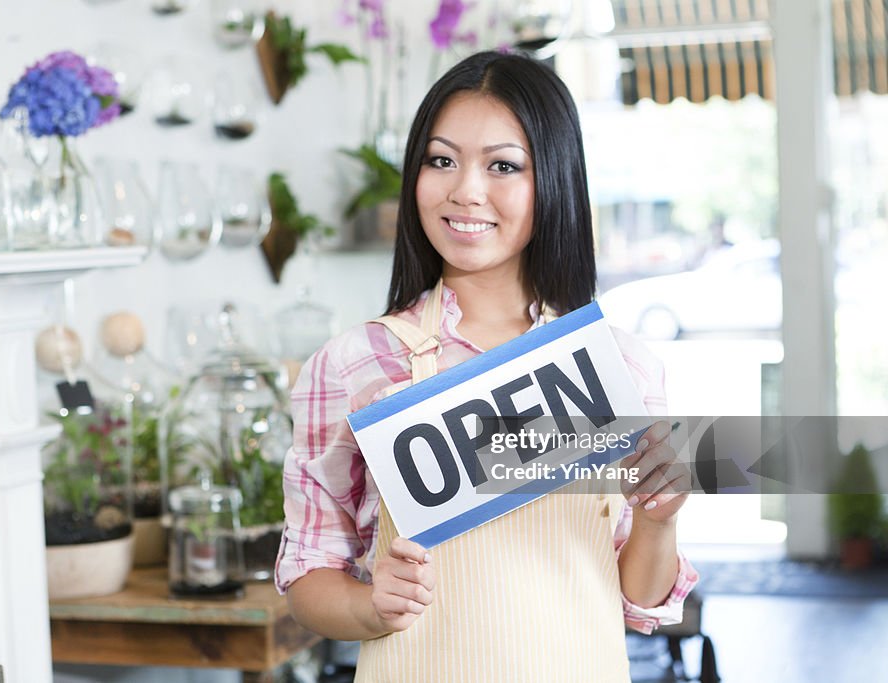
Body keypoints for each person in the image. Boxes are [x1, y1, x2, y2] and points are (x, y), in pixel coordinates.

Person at [275, 51, 698, 682]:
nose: (464, 190)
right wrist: (370, 605)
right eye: (440, 160)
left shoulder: (618, 366)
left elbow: (640, 598)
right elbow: (309, 571)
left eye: (503, 166)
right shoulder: (353, 365)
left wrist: (660, 519)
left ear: (552, 179)